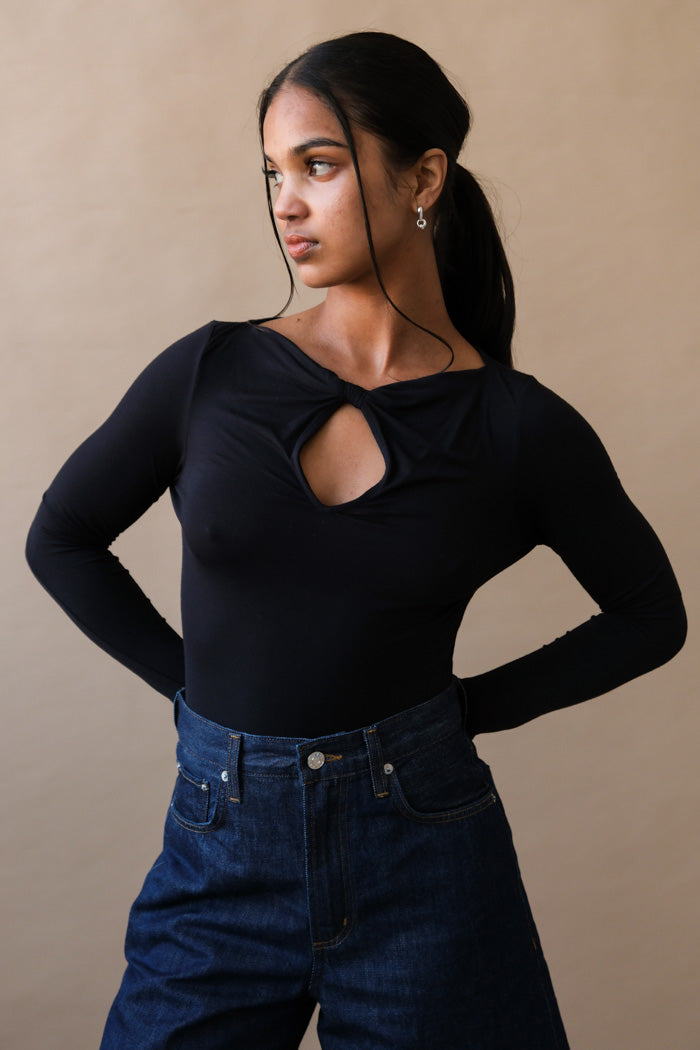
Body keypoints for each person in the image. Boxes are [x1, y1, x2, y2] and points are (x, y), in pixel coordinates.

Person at [26, 29, 686, 1050]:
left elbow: (650, 616)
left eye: (319, 166)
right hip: (220, 853)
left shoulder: (517, 426)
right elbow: (61, 538)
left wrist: (460, 717)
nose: (285, 203)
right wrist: (198, 701)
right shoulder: (210, 376)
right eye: (273, 173)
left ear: (423, 178)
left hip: (424, 861)